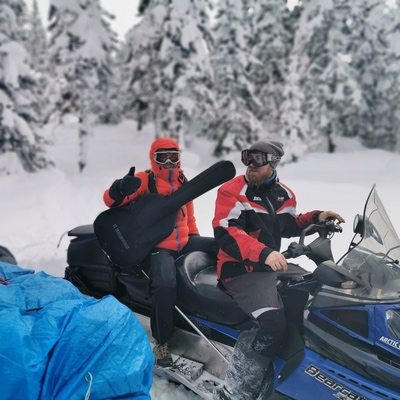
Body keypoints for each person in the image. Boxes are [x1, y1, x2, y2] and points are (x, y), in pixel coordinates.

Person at [212, 139, 345, 400]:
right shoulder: (233, 190)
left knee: (319, 289)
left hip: (271, 264)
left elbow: (289, 224)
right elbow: (227, 231)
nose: (250, 164)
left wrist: (317, 218)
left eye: (258, 159)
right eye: (248, 157)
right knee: (272, 323)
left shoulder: (283, 194)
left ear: (272, 162)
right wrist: (263, 252)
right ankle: (237, 390)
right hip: (239, 269)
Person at [103, 137, 218, 367]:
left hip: (184, 241)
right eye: (162, 157)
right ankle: (162, 340)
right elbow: (110, 201)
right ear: (153, 159)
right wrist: (119, 188)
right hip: (157, 247)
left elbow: (190, 216)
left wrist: (195, 239)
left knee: (221, 245)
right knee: (164, 283)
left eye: (173, 156)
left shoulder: (183, 181)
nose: (168, 162)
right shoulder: (145, 180)